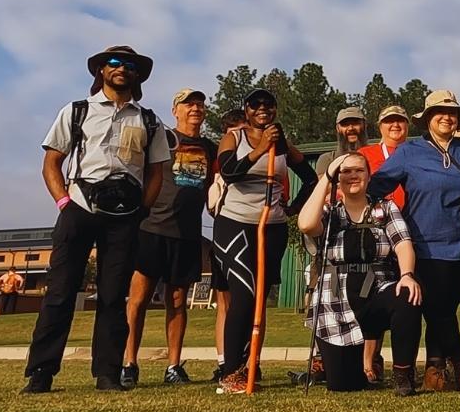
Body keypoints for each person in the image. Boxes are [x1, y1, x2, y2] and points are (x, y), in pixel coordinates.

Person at [23, 45, 171, 394]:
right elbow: (51, 163)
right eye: (115, 63)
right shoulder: (76, 111)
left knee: (114, 294)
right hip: (78, 208)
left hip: (125, 216)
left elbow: (155, 174)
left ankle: (107, 373)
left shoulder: (148, 120)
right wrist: (63, 201)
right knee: (59, 291)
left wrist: (142, 212)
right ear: (101, 70)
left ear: (137, 75)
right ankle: (41, 372)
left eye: (129, 65)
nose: (122, 68)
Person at [367, 90, 460, 391]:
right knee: (437, 309)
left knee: (448, 307)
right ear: (427, 118)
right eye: (440, 112)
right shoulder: (409, 152)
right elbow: (377, 185)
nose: (446, 117)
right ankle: (455, 360)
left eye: (452, 113)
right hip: (424, 246)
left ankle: (436, 369)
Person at [213, 87, 317, 394]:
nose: (262, 108)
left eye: (268, 104)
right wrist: (260, 150)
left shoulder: (283, 145)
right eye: (255, 104)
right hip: (235, 225)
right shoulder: (236, 136)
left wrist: (294, 207)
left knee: (259, 301)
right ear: (246, 109)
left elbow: (310, 178)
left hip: (272, 227)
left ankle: (251, 365)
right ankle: (231, 372)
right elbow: (229, 171)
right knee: (243, 297)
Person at [298, 152, 424, 393]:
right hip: (335, 302)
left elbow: (403, 243)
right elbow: (305, 224)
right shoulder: (328, 212)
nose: (352, 176)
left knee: (408, 296)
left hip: (378, 290)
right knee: (343, 385)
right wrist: (326, 178)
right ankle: (353, 371)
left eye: (359, 170)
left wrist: (407, 274)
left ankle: (403, 374)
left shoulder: (385, 208)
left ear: (368, 176)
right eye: (345, 171)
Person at [122, 88, 218, 386]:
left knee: (176, 300)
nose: (195, 108)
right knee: (137, 299)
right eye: (188, 104)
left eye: (200, 104)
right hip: (151, 228)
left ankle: (174, 367)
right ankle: (128, 364)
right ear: (175, 110)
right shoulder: (160, 138)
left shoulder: (211, 147)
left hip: (188, 234)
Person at [209, 107, 246, 382]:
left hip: (256, 228)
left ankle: (249, 359)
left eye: (242, 129)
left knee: (252, 300)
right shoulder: (222, 155)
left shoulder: (271, 153)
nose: (238, 134)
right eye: (232, 130)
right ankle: (224, 361)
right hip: (225, 229)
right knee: (225, 301)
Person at [358, 106, 410, 208]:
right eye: (389, 121)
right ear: (380, 127)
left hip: (413, 216)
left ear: (407, 125)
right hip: (376, 216)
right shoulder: (364, 154)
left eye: (400, 120)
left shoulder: (417, 152)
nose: (395, 125)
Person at [315, 106, 371, 176]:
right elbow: (324, 186)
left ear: (365, 125)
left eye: (356, 123)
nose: (351, 128)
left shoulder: (376, 156)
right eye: (345, 125)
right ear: (337, 128)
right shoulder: (327, 160)